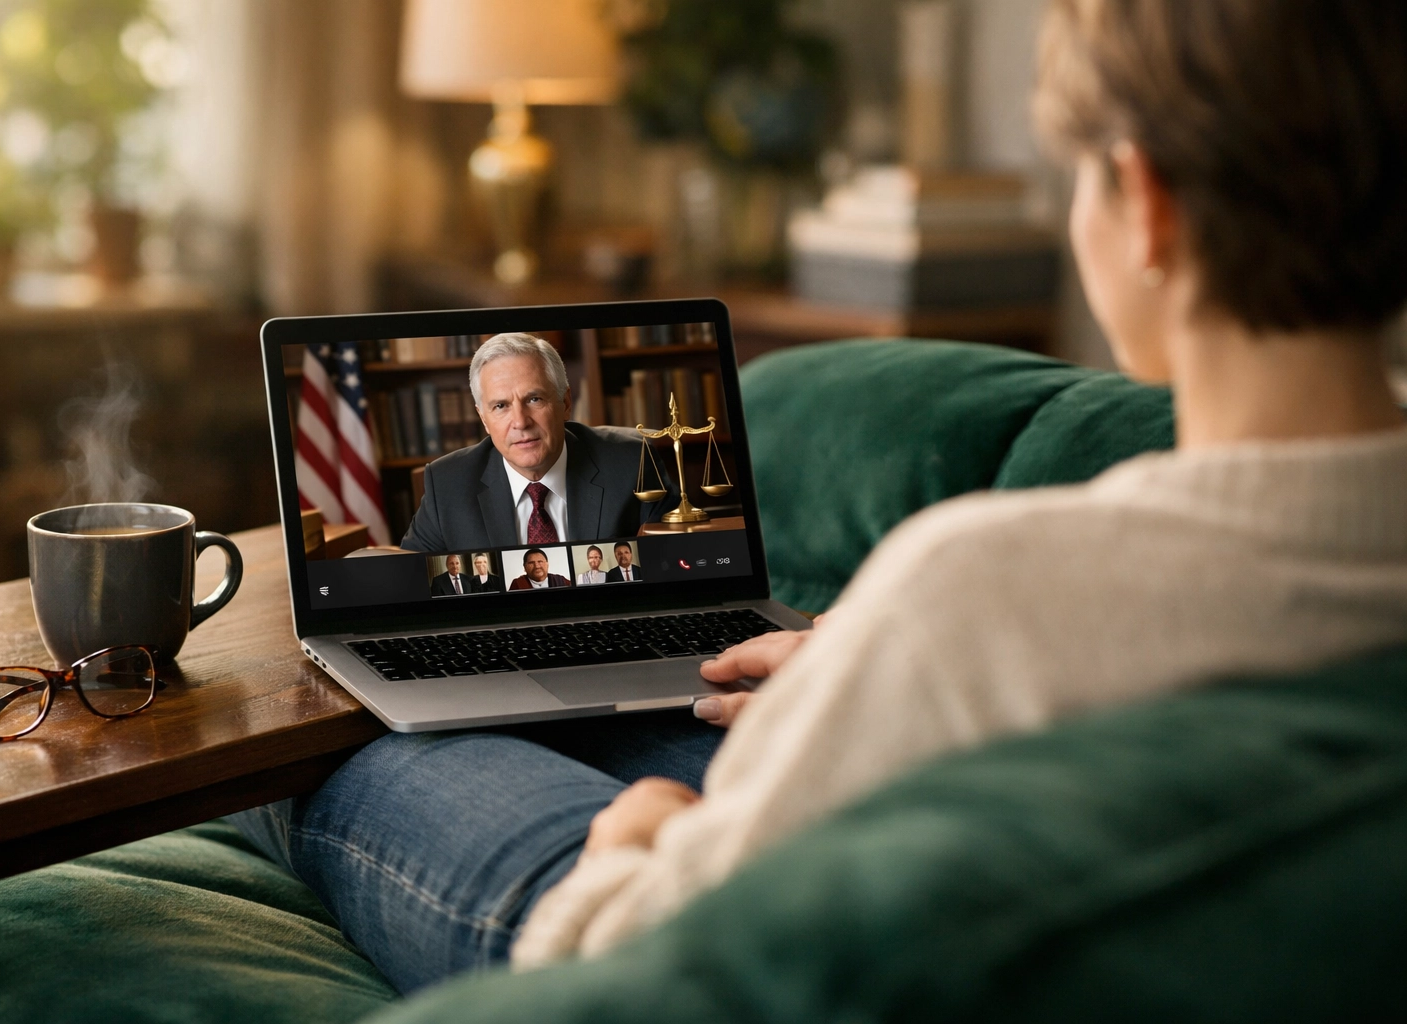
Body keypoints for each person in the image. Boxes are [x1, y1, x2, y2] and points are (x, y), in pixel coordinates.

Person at [233, 0, 1407, 995]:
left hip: (646, 917)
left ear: (1145, 204)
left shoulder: (988, 590)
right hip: (901, 837)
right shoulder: (1014, 610)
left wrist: (639, 837)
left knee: (325, 752)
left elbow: (633, 968)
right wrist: (872, 657)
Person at [399, 334, 676, 552]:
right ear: (483, 418)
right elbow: (412, 580)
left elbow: (675, 560)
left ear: (565, 403)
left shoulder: (632, 463)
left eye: (534, 399)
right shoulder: (447, 484)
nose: (520, 422)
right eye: (500, 406)